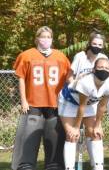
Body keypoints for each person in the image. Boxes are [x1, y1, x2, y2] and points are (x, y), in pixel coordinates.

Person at [11, 26, 71, 170]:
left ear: (52, 39)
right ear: (37, 38)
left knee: (54, 137)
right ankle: (25, 165)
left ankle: (54, 165)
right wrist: (23, 100)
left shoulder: (60, 56)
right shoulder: (26, 55)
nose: (45, 39)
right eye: (43, 36)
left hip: (54, 103)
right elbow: (21, 79)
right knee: (29, 137)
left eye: (48, 37)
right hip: (33, 102)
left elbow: (69, 78)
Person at [59, 57, 109, 170]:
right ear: (94, 69)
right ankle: (69, 168)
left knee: (95, 133)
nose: (103, 70)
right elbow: (82, 106)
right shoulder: (86, 82)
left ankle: (98, 167)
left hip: (89, 104)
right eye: (100, 67)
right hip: (69, 102)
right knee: (72, 135)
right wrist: (76, 127)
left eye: (106, 68)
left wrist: (98, 125)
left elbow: (102, 106)